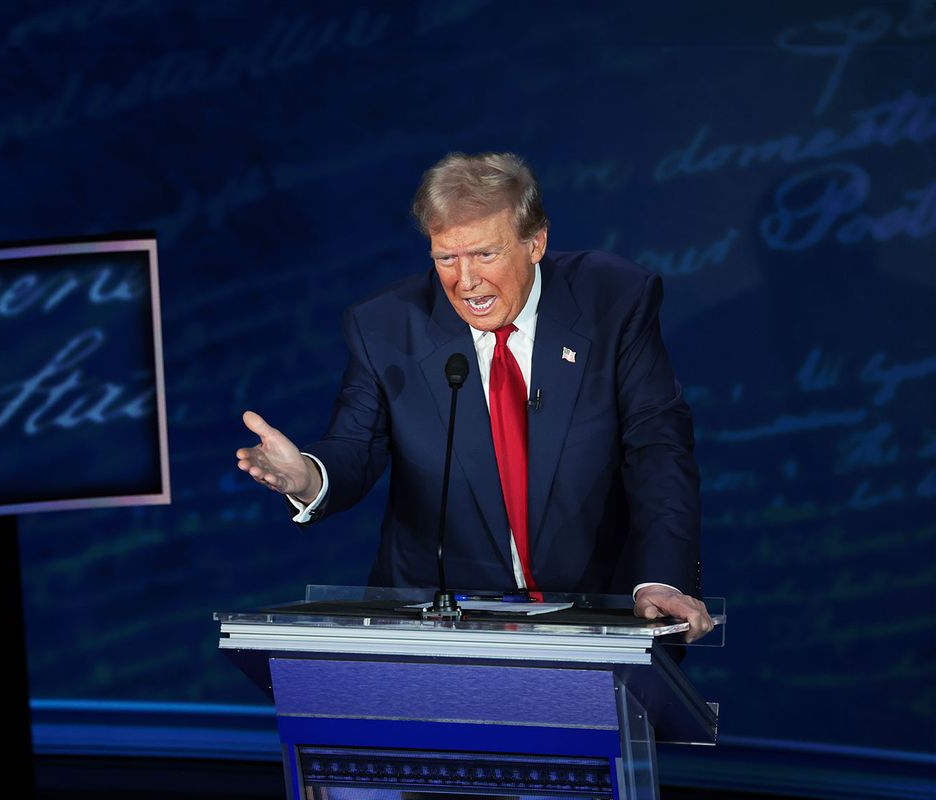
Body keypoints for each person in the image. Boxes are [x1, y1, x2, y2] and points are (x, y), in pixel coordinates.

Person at [236, 152, 713, 641]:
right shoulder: (386, 327)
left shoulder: (614, 301)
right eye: (447, 258)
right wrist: (308, 477)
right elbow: (354, 445)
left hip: (596, 617)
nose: (465, 282)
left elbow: (658, 449)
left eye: (485, 254)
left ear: (535, 243)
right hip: (441, 629)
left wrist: (662, 577)